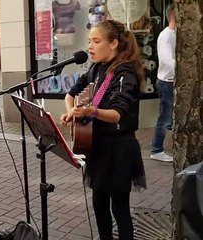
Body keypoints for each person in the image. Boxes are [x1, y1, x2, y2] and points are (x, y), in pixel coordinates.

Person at [60, 19, 147, 240]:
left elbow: (117, 113)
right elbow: (70, 94)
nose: (90, 46)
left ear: (114, 43)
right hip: (98, 147)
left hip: (119, 149)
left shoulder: (125, 73)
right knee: (99, 204)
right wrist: (71, 112)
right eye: (89, 41)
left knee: (119, 208)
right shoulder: (95, 68)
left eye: (96, 41)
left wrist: (91, 112)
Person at [150, 4, 176, 162]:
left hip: (170, 81)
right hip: (167, 82)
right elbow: (167, 59)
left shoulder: (172, 34)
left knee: (169, 118)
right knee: (165, 117)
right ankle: (157, 149)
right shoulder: (167, 35)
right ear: (174, 15)